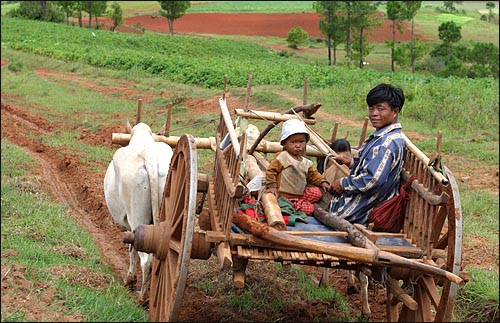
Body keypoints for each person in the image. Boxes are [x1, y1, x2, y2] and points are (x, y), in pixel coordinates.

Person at [327, 83, 406, 225]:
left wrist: (343, 183)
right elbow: (376, 168)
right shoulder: (382, 137)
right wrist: (351, 162)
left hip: (359, 212)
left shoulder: (386, 144)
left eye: (380, 109)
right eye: (371, 108)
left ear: (395, 112)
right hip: (361, 204)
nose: (374, 114)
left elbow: (372, 180)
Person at [265, 118, 330, 216]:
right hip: (283, 195)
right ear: (284, 143)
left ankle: (299, 203)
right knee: (310, 210)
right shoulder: (282, 157)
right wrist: (272, 186)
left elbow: (314, 175)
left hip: (300, 194)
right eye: (293, 142)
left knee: (317, 193)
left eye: (301, 142)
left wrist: (322, 182)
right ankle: (291, 205)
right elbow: (271, 171)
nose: (298, 145)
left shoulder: (306, 162)